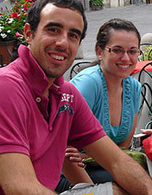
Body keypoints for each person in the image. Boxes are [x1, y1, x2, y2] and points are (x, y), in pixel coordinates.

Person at [0, 0, 152, 195]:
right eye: (53, 30)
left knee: (147, 185)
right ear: (29, 34)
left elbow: (117, 160)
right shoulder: (2, 87)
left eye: (73, 35)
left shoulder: (65, 93)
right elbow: (20, 188)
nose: (62, 43)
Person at [56, 19, 143, 191]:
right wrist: (92, 190)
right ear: (100, 52)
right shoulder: (88, 84)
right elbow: (59, 145)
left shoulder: (134, 88)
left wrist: (88, 155)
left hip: (104, 165)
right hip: (65, 172)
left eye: (132, 51)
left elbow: (123, 147)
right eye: (117, 50)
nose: (126, 58)